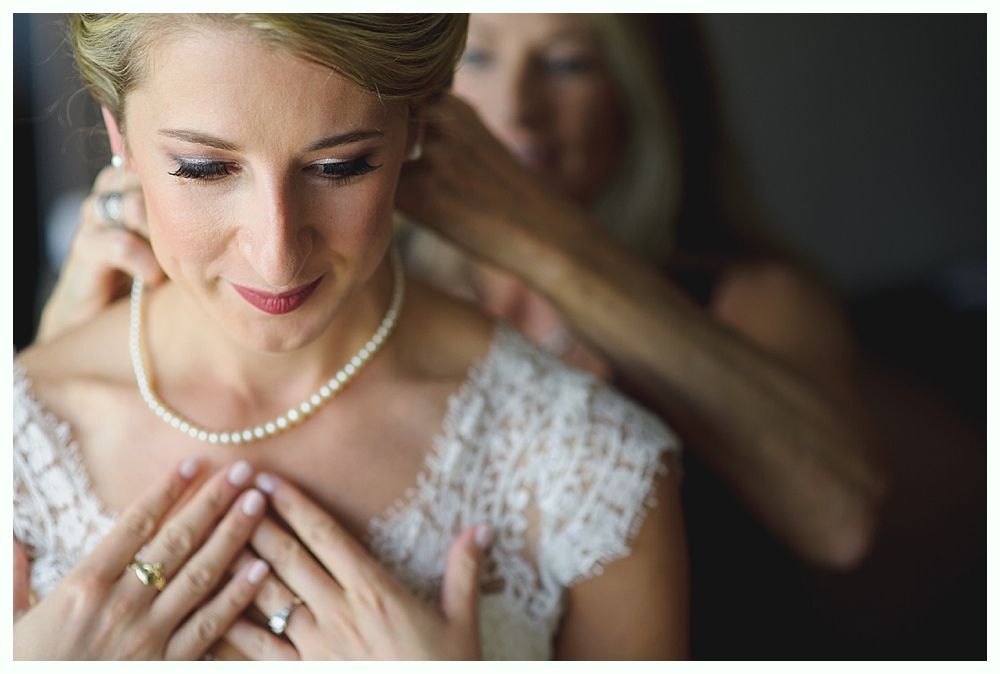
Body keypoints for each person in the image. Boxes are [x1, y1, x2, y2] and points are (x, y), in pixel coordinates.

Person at [14, 13, 687, 660]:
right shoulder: (21, 441)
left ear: (415, 127)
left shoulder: (590, 468)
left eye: (339, 167)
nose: (277, 256)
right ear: (120, 132)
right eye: (204, 168)